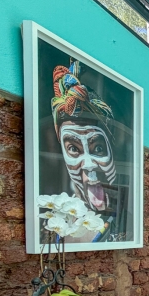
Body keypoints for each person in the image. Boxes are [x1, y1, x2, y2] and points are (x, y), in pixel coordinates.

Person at [49, 60, 119, 242]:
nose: (89, 165)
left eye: (98, 148)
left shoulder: (125, 224)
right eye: (73, 149)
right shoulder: (51, 225)